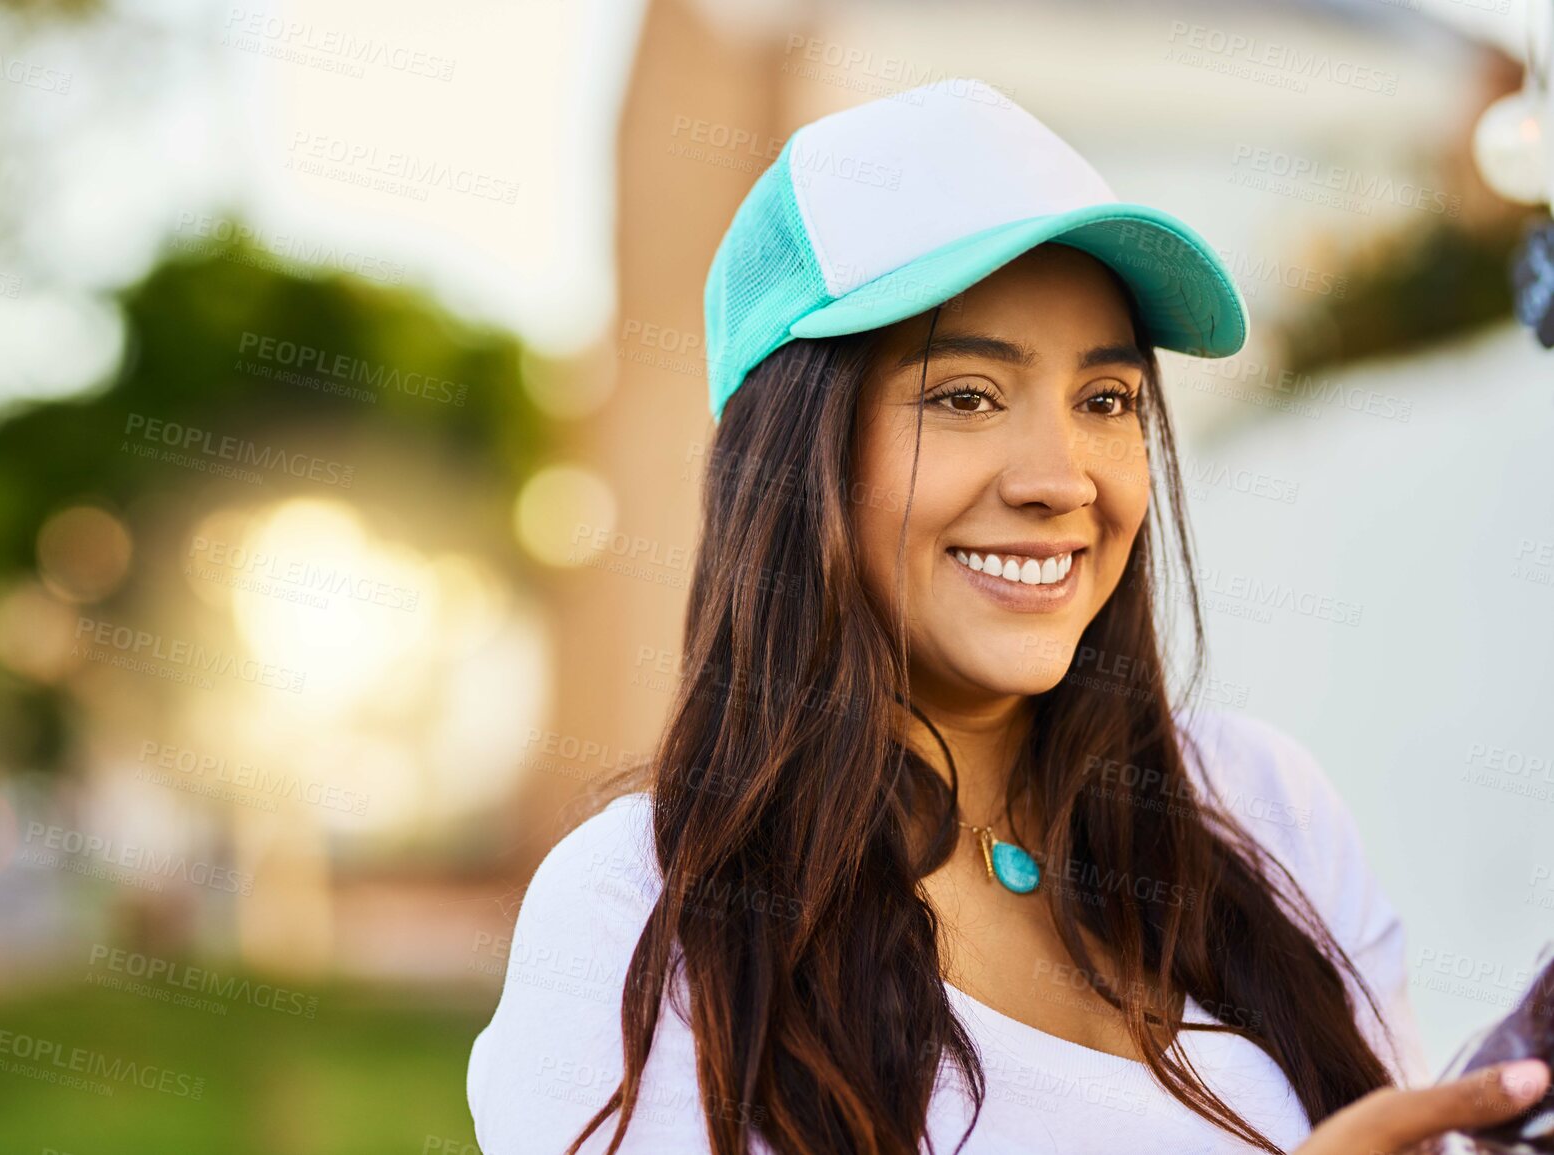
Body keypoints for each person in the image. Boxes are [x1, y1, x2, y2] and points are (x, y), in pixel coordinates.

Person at [465, 77, 1551, 1154]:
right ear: (796, 455)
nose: (1062, 479)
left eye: (1106, 401)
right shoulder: (641, 916)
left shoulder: (1268, 813)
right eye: (966, 396)